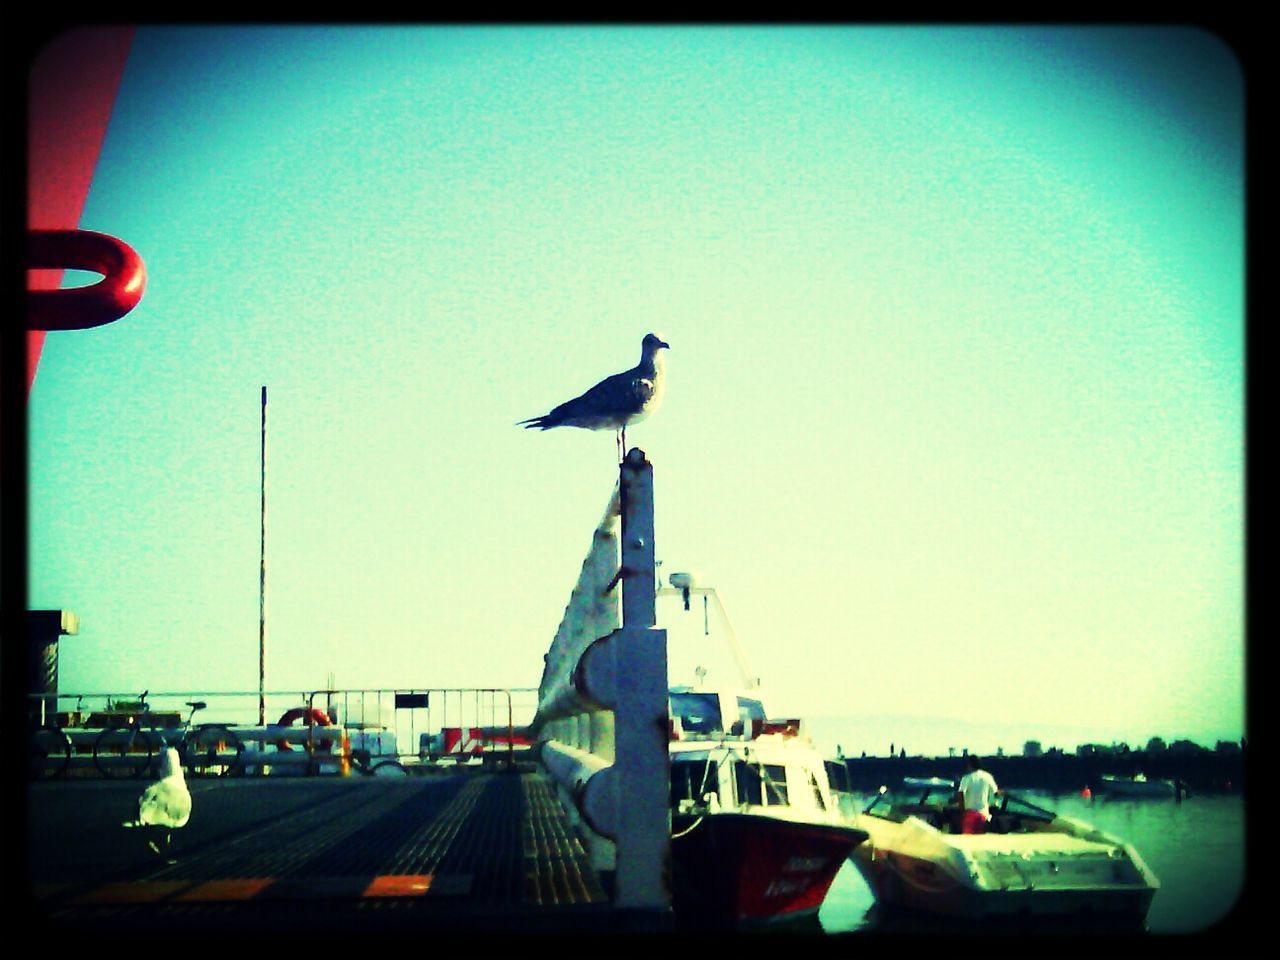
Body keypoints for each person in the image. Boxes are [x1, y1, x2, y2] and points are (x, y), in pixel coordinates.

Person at [956, 755, 1001, 834]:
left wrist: (962, 812)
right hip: (984, 815)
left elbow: (961, 793)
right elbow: (996, 793)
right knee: (980, 839)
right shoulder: (988, 776)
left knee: (968, 839)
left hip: (970, 815)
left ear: (969, 765)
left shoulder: (966, 778)